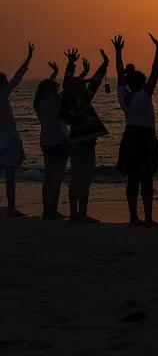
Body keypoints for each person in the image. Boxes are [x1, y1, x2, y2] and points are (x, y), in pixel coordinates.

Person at [112, 34, 158, 226]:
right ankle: (147, 217)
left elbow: (118, 73)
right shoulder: (144, 94)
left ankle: (134, 216)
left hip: (130, 135)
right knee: (146, 176)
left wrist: (118, 51)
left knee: (133, 177)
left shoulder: (123, 95)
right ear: (142, 81)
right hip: (146, 136)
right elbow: (155, 71)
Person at [59, 49, 110, 223]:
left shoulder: (67, 101)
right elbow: (94, 83)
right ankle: (80, 213)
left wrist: (71, 63)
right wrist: (104, 64)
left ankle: (76, 213)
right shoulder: (78, 102)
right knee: (83, 178)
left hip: (76, 142)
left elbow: (69, 82)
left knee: (77, 178)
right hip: (84, 144)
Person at [34, 50, 75, 219]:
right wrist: (70, 65)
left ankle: (47, 209)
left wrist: (55, 72)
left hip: (46, 142)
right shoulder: (52, 102)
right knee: (56, 178)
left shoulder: (38, 103)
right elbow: (66, 87)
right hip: (58, 142)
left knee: (48, 178)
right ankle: (52, 211)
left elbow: (51, 86)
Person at [1, 43, 34, 217]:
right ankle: (11, 207)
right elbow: (17, 78)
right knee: (10, 176)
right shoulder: (3, 93)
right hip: (8, 141)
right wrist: (28, 58)